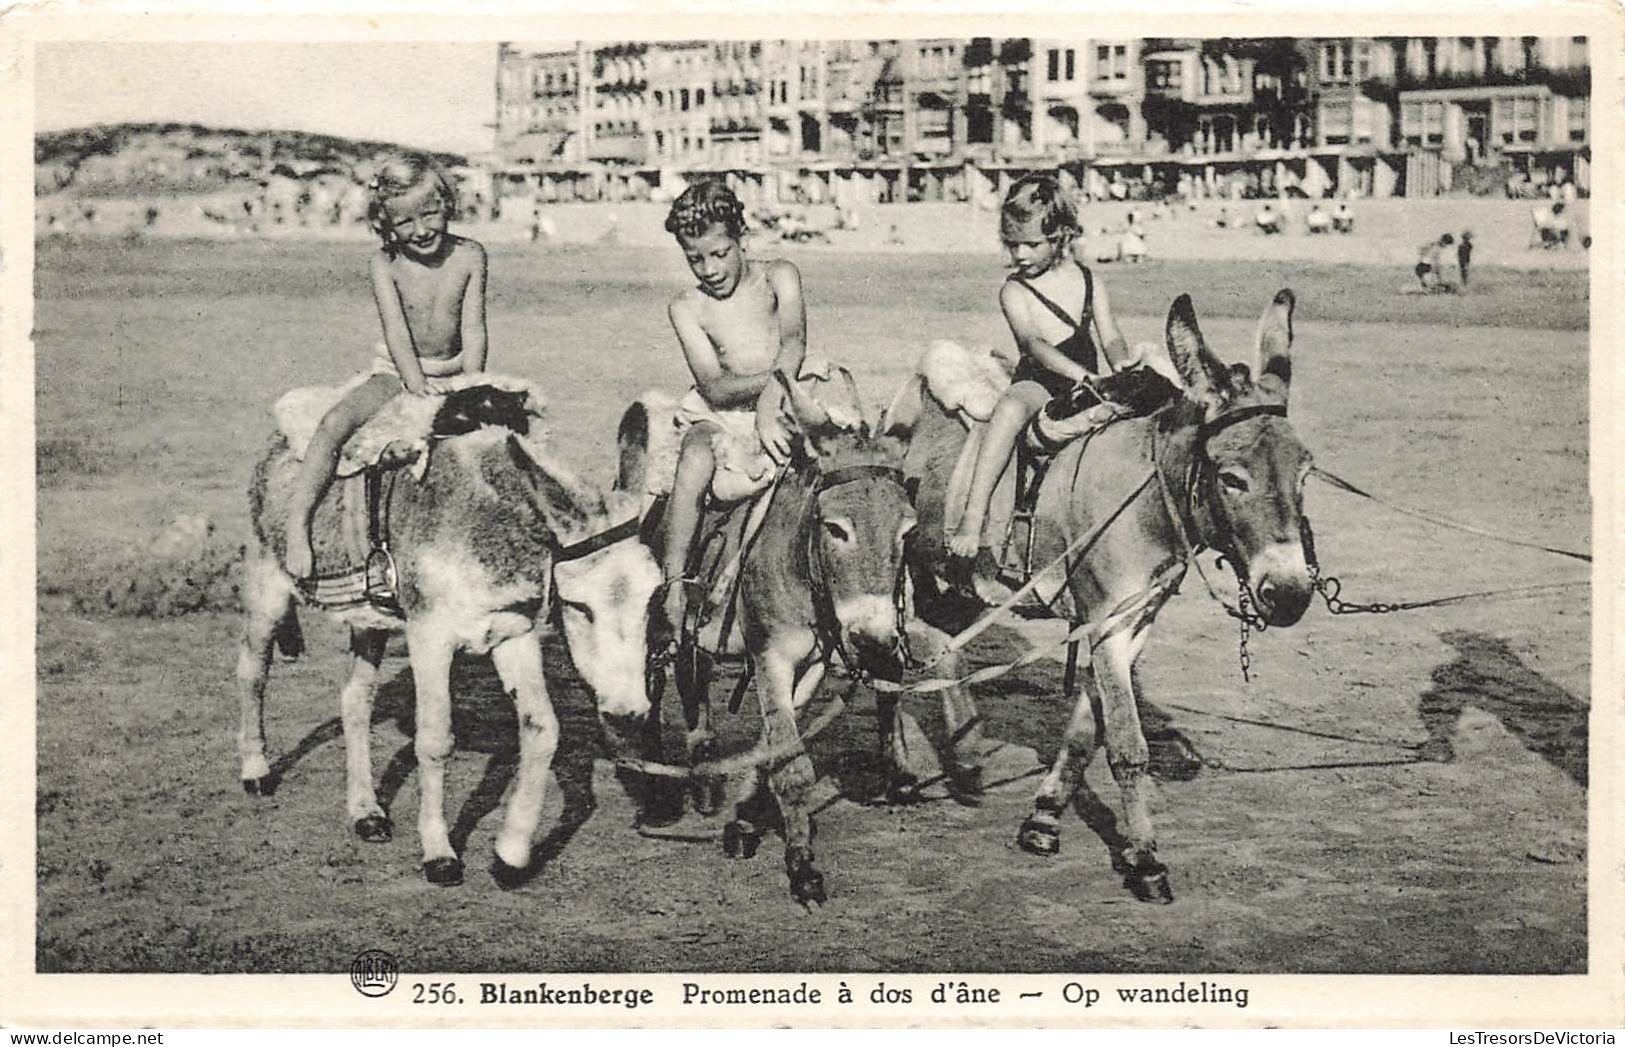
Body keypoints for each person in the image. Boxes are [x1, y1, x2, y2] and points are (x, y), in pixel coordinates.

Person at [283, 154, 489, 582]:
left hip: (455, 372)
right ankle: (297, 526)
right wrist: (414, 385)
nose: (421, 230)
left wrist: (471, 386)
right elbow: (396, 331)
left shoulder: (470, 255)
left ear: (448, 204)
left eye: (430, 214)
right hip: (397, 370)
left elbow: (474, 327)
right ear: (386, 223)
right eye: (405, 222)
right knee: (334, 423)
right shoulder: (385, 264)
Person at [948, 174, 1130, 585]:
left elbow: (1112, 335)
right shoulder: (1014, 290)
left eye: (1031, 244)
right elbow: (1033, 345)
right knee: (1011, 408)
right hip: (1042, 383)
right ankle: (974, 518)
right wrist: (1084, 376)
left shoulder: (1088, 281)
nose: (1020, 254)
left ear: (1061, 236)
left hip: (1089, 383)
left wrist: (1122, 368)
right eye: (1012, 244)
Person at [659, 180, 805, 631]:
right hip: (720, 413)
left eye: (719, 253)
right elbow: (716, 388)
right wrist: (771, 387)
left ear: (740, 236)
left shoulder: (779, 275)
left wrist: (770, 406)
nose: (709, 268)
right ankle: (674, 580)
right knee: (695, 459)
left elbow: (795, 342)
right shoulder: (687, 306)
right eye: (694, 258)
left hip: (785, 401)